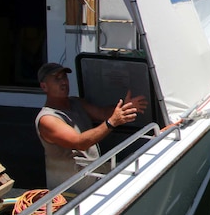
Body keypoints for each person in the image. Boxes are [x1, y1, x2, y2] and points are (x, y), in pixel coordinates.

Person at [34, 62, 146, 193]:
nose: (63, 82)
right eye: (57, 79)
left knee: (142, 173)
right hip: (72, 185)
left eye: (64, 77)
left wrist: (124, 107)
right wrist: (112, 122)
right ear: (44, 86)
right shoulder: (47, 119)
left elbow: (102, 113)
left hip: (93, 171)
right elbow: (79, 142)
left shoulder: (75, 102)